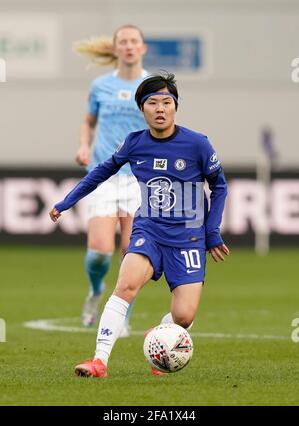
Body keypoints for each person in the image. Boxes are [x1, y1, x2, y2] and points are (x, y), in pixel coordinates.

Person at [50, 72, 230, 377]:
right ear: (142, 109)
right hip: (148, 229)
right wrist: (66, 202)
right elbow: (100, 173)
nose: (160, 108)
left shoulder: (197, 144)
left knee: (184, 316)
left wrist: (212, 232)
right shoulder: (135, 143)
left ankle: (161, 334)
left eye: (166, 102)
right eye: (152, 103)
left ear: (175, 107)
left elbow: (220, 186)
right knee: (125, 287)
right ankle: (99, 361)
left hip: (188, 237)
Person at [74, 25, 148, 332]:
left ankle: (123, 313)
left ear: (143, 48)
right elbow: (88, 121)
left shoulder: (152, 86)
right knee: (100, 252)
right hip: (105, 174)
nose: (129, 46)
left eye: (134, 41)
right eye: (123, 42)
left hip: (140, 178)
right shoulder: (100, 85)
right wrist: (83, 145)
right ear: (115, 48)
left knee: (131, 251)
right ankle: (95, 291)